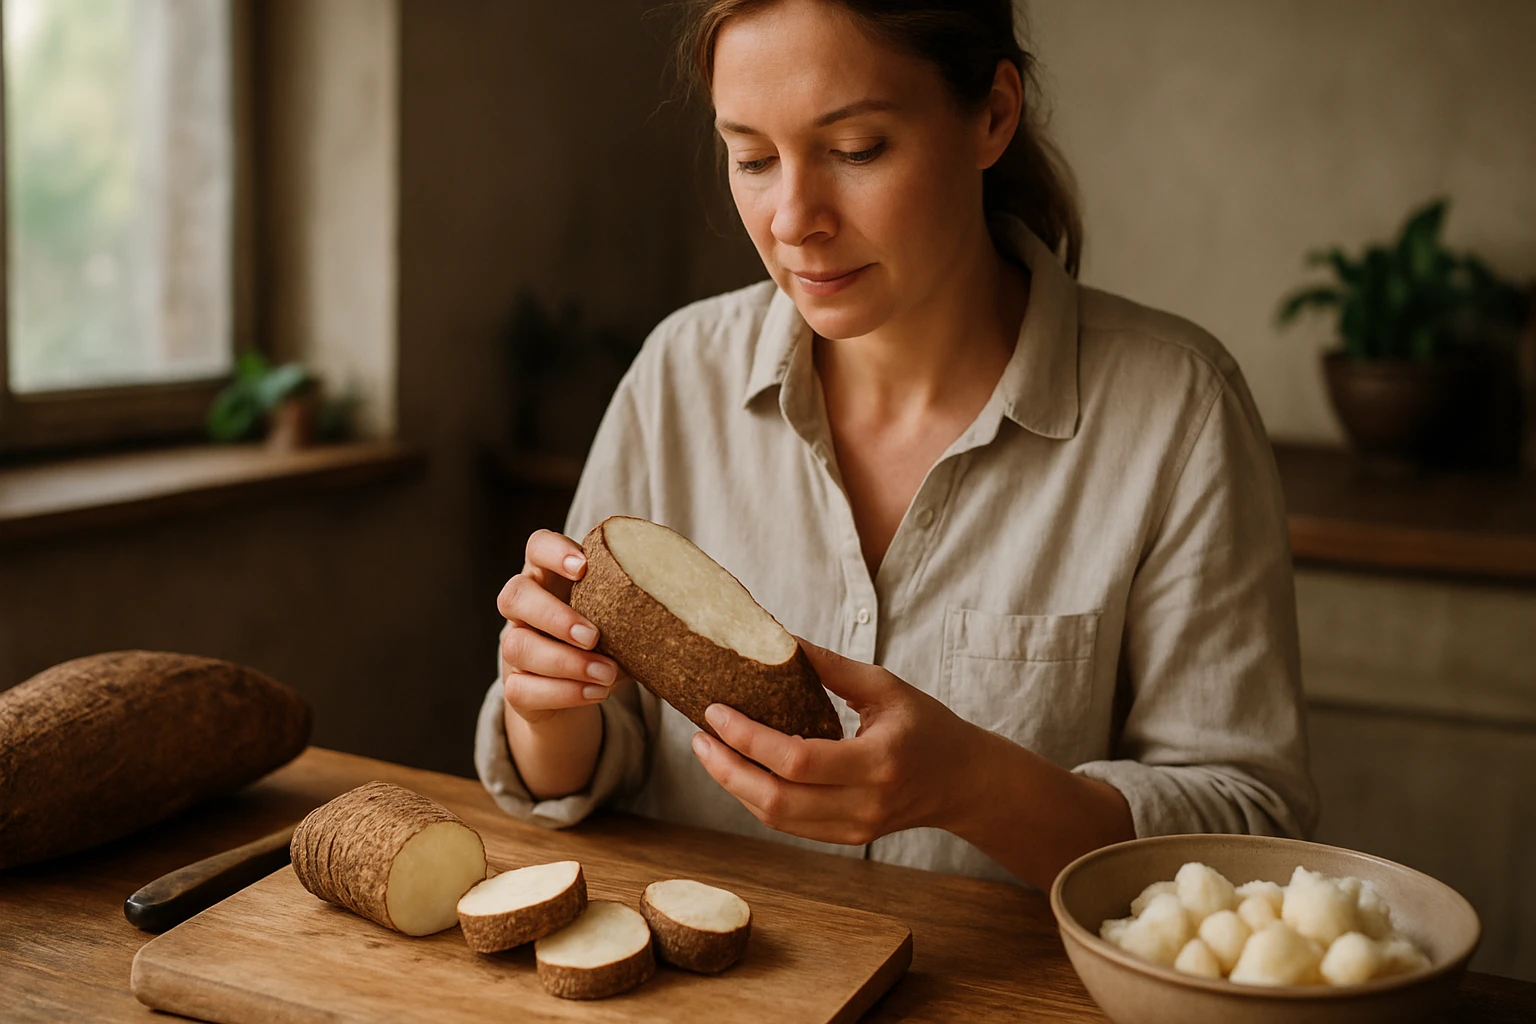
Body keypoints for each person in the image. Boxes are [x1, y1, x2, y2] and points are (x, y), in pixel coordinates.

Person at [475, 0, 1316, 891]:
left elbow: (1248, 828)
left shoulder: (1179, 411)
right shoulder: (677, 376)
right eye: (752, 158)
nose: (794, 219)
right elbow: (584, 767)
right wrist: (548, 707)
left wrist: (974, 789)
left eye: (856, 150)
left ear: (992, 114)